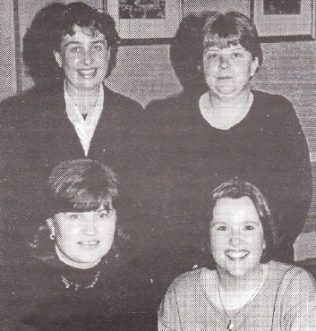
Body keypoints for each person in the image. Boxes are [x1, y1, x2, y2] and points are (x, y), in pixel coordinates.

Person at [145, 11, 311, 281]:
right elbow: (160, 206)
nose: (223, 66)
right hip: (193, 270)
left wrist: (256, 257)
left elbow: (296, 199)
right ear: (200, 65)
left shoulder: (277, 114)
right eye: (213, 55)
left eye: (236, 55)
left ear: (254, 64)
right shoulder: (168, 118)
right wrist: (202, 264)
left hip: (265, 265)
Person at [0, 2, 145, 262]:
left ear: (109, 53)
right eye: (74, 48)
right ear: (58, 57)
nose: (87, 59)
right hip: (39, 262)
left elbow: (140, 205)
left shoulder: (134, 116)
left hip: (117, 263)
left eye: (96, 47)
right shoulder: (18, 116)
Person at [0, 159, 155, 330]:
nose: (90, 230)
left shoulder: (136, 285)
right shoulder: (17, 290)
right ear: (51, 224)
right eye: (75, 216)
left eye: (101, 215)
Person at [158, 178, 316, 330]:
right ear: (208, 238)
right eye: (222, 228)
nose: (235, 241)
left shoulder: (292, 287)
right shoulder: (182, 295)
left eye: (248, 227)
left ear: (264, 238)